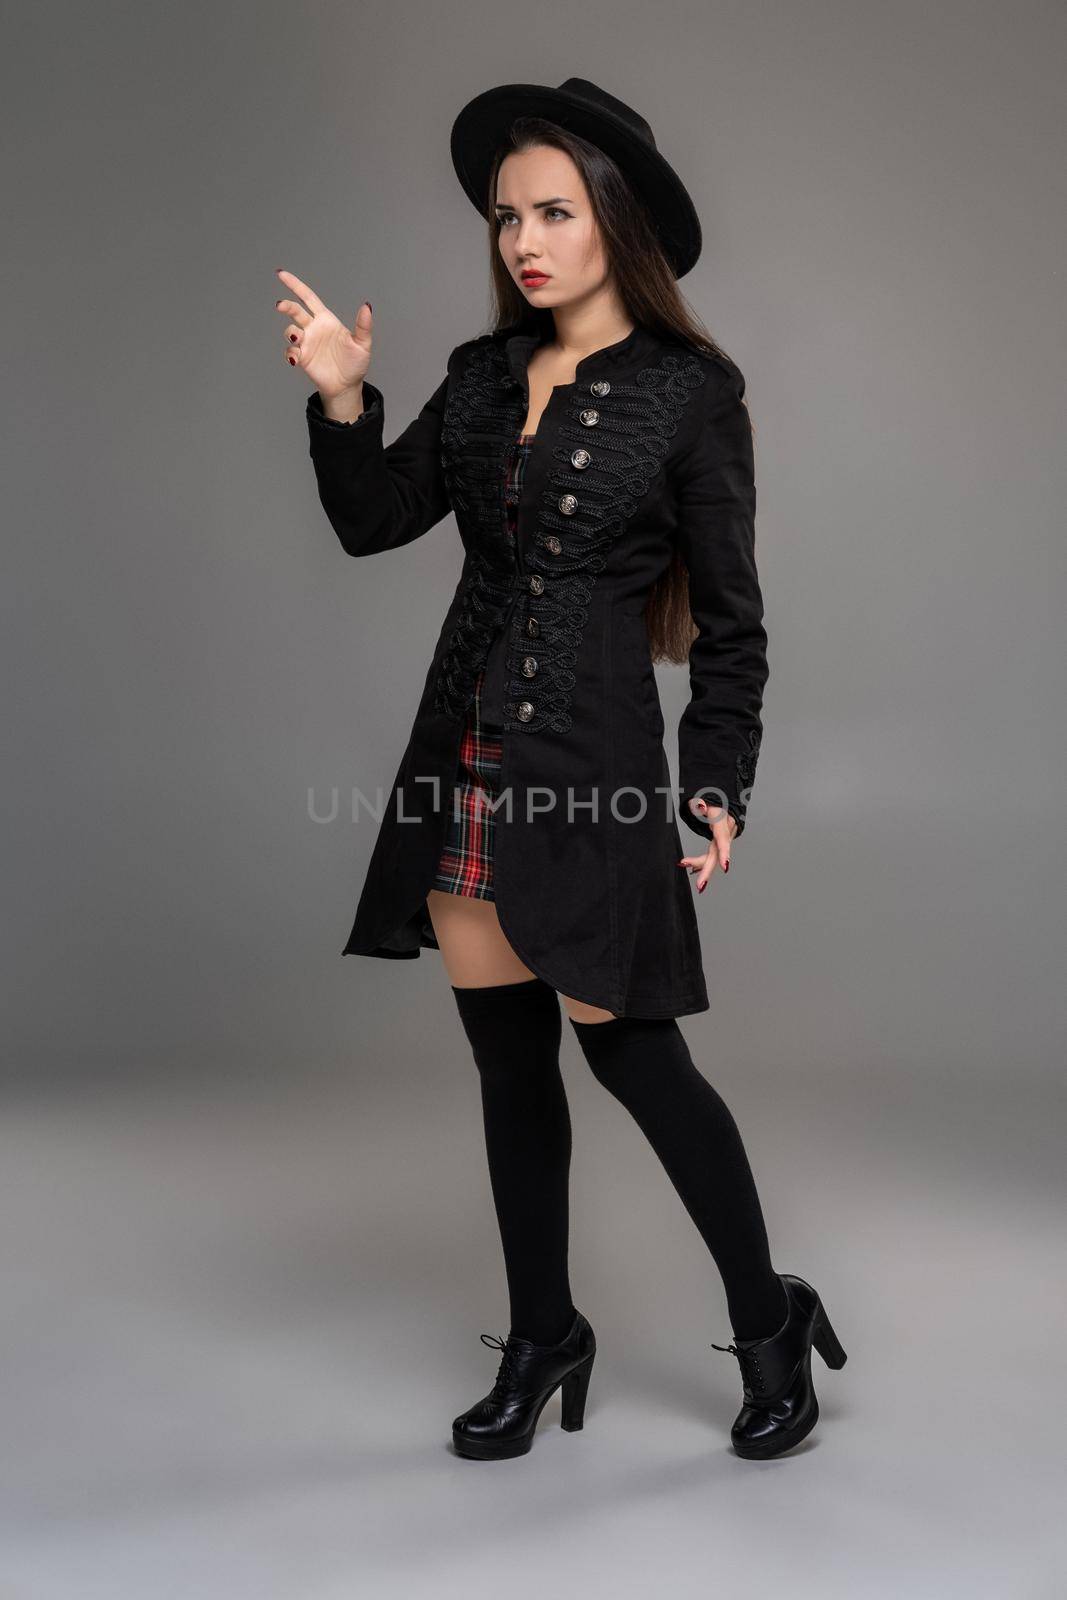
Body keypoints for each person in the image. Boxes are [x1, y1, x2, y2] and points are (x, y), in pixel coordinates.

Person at [276, 77, 846, 1462]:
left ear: (617, 219)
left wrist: (716, 789)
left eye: (554, 209)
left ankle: (769, 1321)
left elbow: (733, 625)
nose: (525, 239)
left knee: (636, 1056)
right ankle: (545, 1336)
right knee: (507, 1067)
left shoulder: (691, 393)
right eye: (505, 215)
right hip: (463, 758)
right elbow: (377, 523)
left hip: (591, 774)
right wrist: (347, 403)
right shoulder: (479, 378)